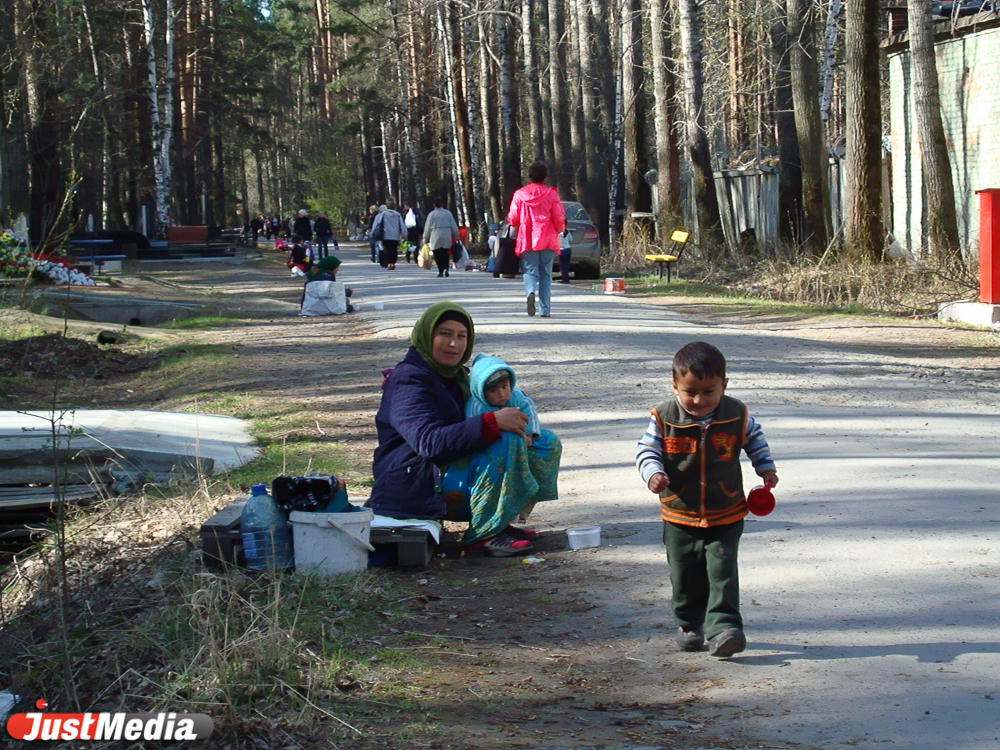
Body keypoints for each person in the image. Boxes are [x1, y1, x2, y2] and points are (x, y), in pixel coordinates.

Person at [635, 341, 778, 658]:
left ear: (724, 385)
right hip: (679, 513)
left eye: (709, 391)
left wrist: (765, 468)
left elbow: (754, 439)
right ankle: (689, 624)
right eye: (690, 392)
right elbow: (646, 450)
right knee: (685, 573)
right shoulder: (664, 417)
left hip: (725, 509)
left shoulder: (735, 414)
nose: (699, 400)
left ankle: (725, 628)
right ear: (675, 386)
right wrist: (652, 474)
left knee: (723, 568)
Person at [370, 302, 543, 556]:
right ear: (427, 335)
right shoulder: (408, 379)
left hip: (446, 471)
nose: (454, 344)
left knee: (543, 441)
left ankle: (502, 519)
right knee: (505, 439)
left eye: (462, 336)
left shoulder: (458, 376)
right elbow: (429, 443)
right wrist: (493, 422)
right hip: (416, 483)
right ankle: (483, 534)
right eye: (445, 334)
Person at [460, 354, 561, 527]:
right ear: (480, 391)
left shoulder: (515, 396)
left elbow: (528, 411)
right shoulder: (476, 406)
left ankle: (529, 500)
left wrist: (529, 435)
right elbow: (475, 432)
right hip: (494, 451)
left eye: (505, 387)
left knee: (549, 442)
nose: (501, 394)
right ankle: (503, 513)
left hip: (522, 440)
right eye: (493, 391)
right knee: (510, 441)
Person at [507, 161, 565, 317]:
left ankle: (530, 292)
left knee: (530, 271)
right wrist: (560, 229)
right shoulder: (551, 194)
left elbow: (513, 218)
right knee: (546, 273)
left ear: (529, 176)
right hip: (547, 238)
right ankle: (545, 309)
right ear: (545, 176)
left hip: (527, 237)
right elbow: (558, 216)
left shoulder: (519, 194)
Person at [423, 198, 459, 278]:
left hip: (435, 234)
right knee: (445, 253)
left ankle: (440, 270)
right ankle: (446, 268)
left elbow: (427, 227)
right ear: (442, 204)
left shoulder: (431, 214)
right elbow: (453, 225)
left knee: (437, 253)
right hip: (446, 234)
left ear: (434, 204)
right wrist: (456, 235)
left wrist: (425, 238)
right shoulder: (447, 213)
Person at [370, 200, 406, 270]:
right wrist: (404, 233)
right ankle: (393, 262)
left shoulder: (383, 214)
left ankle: (389, 263)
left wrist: (373, 232)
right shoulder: (398, 214)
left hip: (386, 234)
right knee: (394, 249)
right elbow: (402, 224)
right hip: (395, 235)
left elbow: (377, 223)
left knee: (386, 249)